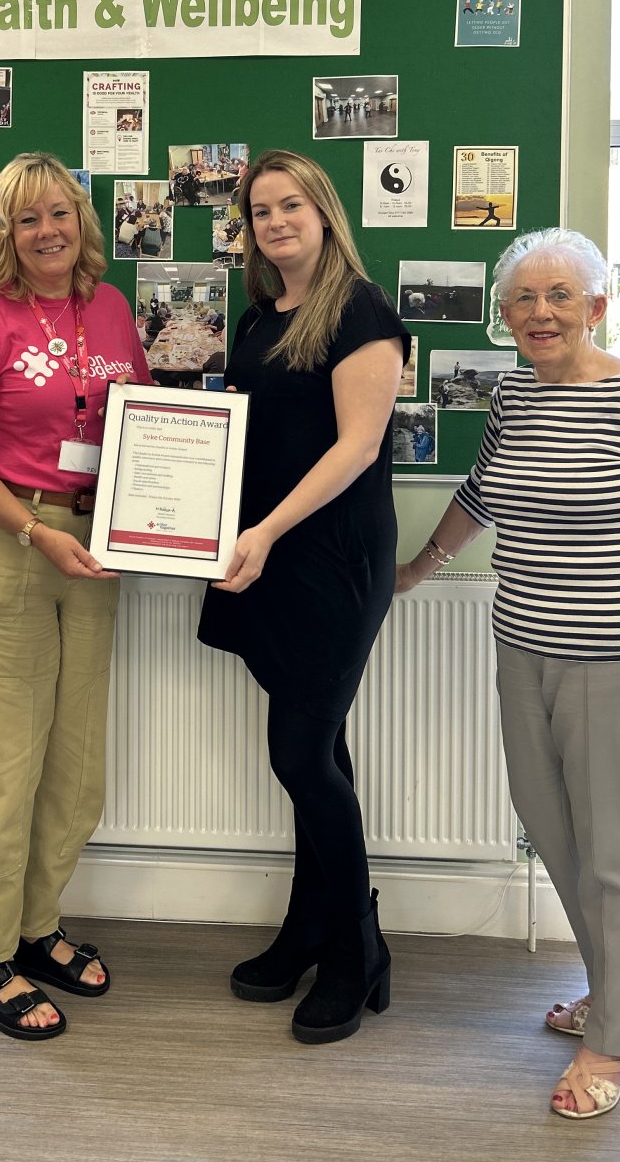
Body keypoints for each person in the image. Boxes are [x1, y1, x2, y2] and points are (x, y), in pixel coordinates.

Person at [395, 227, 620, 1119]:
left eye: (559, 297)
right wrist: (418, 567)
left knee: (617, 854)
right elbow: (479, 493)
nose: (541, 314)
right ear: (505, 319)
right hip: (524, 646)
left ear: (597, 306)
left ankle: (616, 1037)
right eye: (523, 301)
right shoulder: (514, 394)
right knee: (557, 835)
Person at [0, 152, 151, 1041]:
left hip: (89, 549)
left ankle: (36, 926)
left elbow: (133, 424)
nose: (48, 231)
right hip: (7, 545)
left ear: (82, 221)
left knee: (74, 767)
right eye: (27, 220)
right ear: (4, 232)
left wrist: (139, 519)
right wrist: (34, 531)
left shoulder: (109, 307)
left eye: (59, 214)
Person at [196, 150, 407, 1045]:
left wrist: (266, 532)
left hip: (330, 555)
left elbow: (356, 447)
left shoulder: (360, 311)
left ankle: (358, 951)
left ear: (324, 213)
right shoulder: (257, 317)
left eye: (292, 205)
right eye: (260, 210)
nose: (275, 221)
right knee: (319, 749)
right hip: (267, 551)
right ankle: (308, 927)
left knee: (301, 755)